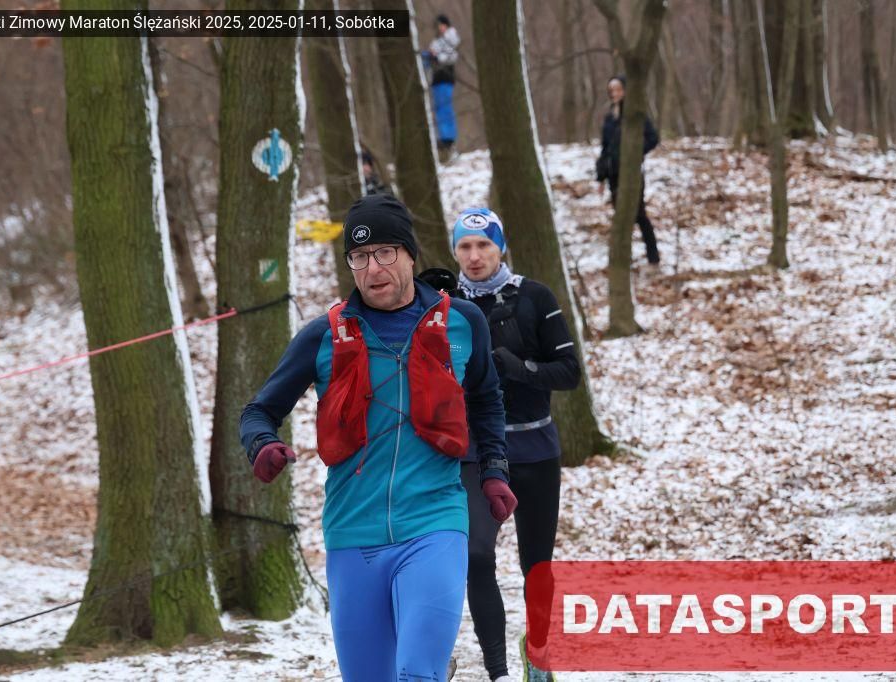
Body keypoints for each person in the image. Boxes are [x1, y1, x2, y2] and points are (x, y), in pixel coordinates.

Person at [239, 194, 517, 682]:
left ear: (410, 254)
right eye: (360, 256)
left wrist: (494, 470)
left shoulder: (462, 322)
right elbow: (258, 411)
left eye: (385, 252)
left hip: (434, 522)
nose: (373, 268)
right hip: (353, 532)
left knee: (418, 672)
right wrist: (262, 444)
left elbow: (486, 400)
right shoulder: (324, 335)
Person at [451, 208, 581, 682]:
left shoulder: (534, 297)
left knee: (537, 566)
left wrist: (520, 368)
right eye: (465, 246)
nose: (474, 255)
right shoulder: (445, 305)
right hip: (477, 453)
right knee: (476, 556)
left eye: (483, 245)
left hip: (535, 449)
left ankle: (539, 656)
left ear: (501, 247)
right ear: (455, 252)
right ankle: (497, 670)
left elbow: (570, 372)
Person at [596, 75, 661, 265]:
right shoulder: (610, 117)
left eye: (618, 89)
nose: (615, 93)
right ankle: (624, 259)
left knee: (639, 215)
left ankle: (653, 258)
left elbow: (653, 138)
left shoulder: (635, 115)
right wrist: (600, 177)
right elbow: (605, 148)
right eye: (612, 90)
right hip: (613, 175)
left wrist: (634, 154)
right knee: (621, 218)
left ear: (626, 91)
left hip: (632, 174)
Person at [422, 14, 460, 160]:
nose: (440, 28)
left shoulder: (451, 38)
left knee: (445, 108)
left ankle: (448, 138)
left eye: (441, 25)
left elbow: (451, 56)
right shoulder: (438, 41)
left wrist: (436, 57)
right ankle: (443, 137)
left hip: (445, 78)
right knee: (439, 109)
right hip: (437, 79)